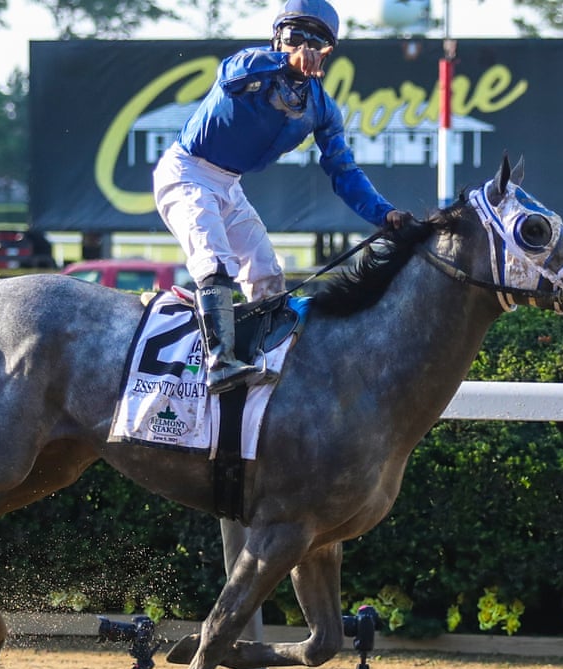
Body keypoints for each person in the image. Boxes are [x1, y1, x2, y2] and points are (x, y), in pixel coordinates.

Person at [153, 0, 412, 395]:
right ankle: (218, 362)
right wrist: (287, 64)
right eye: (295, 36)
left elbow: (344, 173)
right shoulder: (249, 64)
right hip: (186, 170)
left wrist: (385, 214)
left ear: (329, 52)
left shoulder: (323, 108)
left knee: (267, 275)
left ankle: (267, 361)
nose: (304, 47)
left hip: (229, 185)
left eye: (316, 40)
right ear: (277, 37)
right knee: (213, 260)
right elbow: (228, 79)